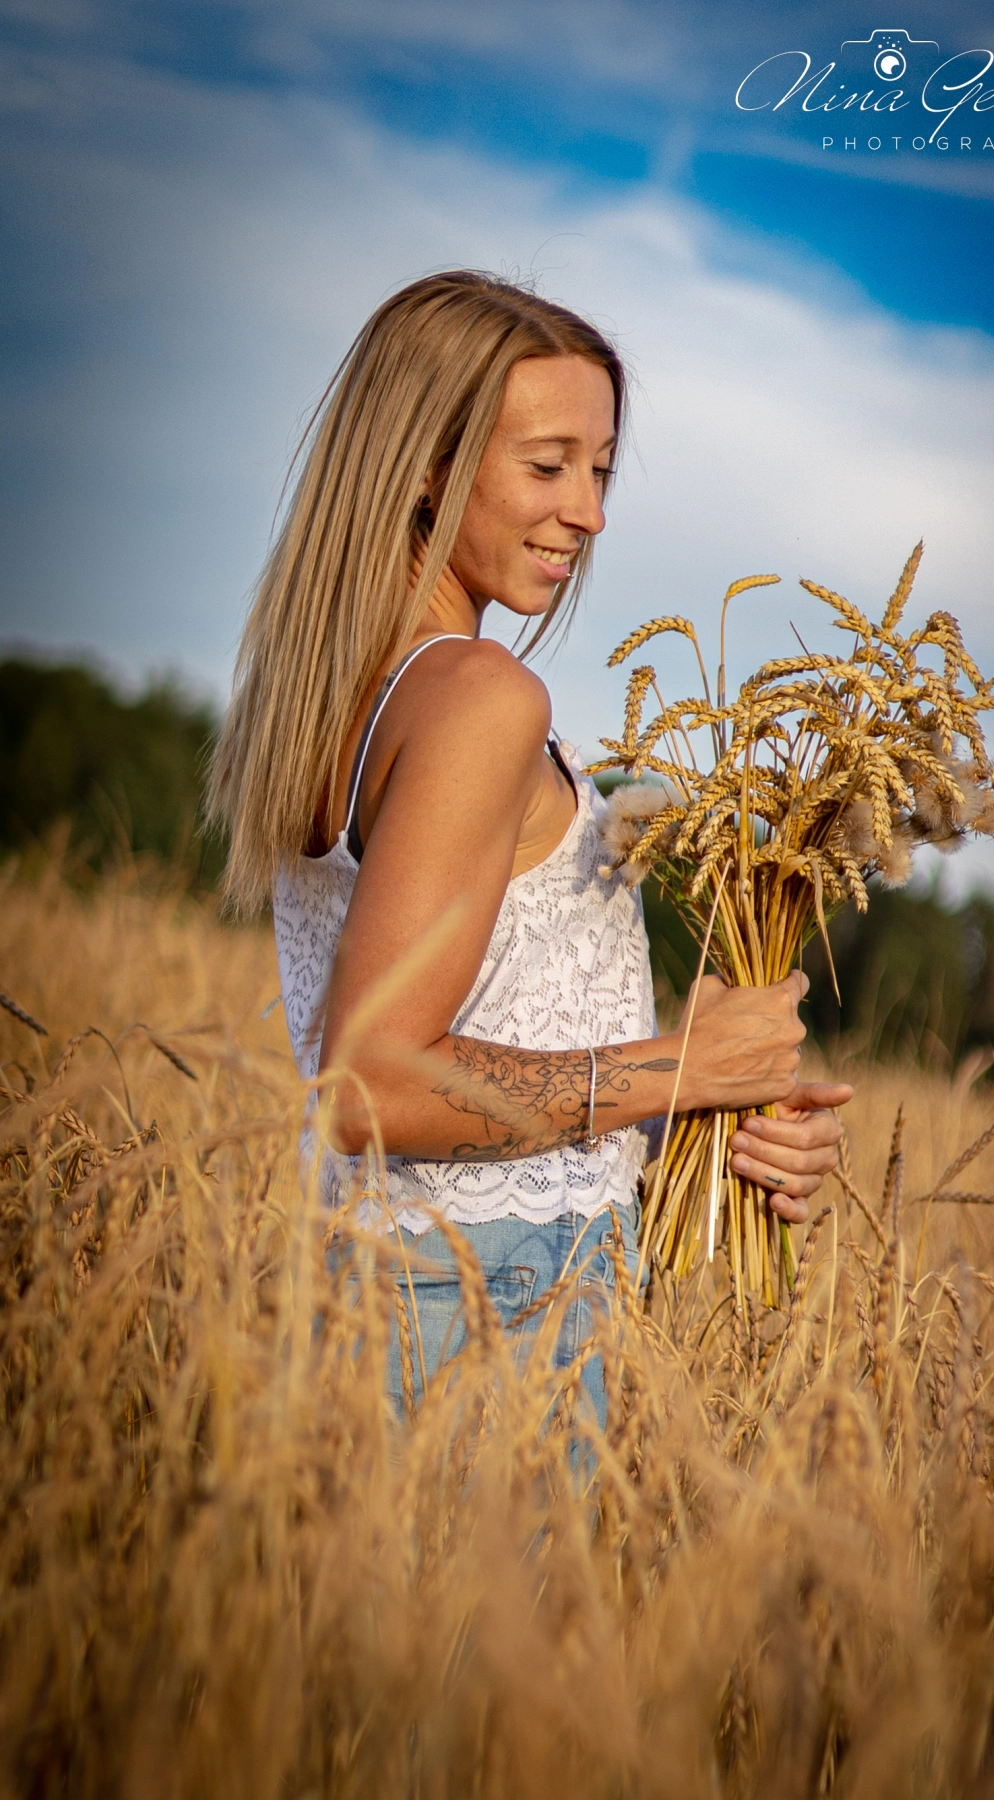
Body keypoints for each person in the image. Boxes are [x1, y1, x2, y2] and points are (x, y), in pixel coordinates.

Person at [207, 269, 852, 1419]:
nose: (590, 512)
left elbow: (482, 1036)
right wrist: (682, 1066)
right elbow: (372, 1082)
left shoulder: (343, 691)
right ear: (423, 463)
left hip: (384, 1290)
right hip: (486, 1305)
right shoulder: (475, 696)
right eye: (547, 465)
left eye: (599, 471)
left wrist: (709, 1121)